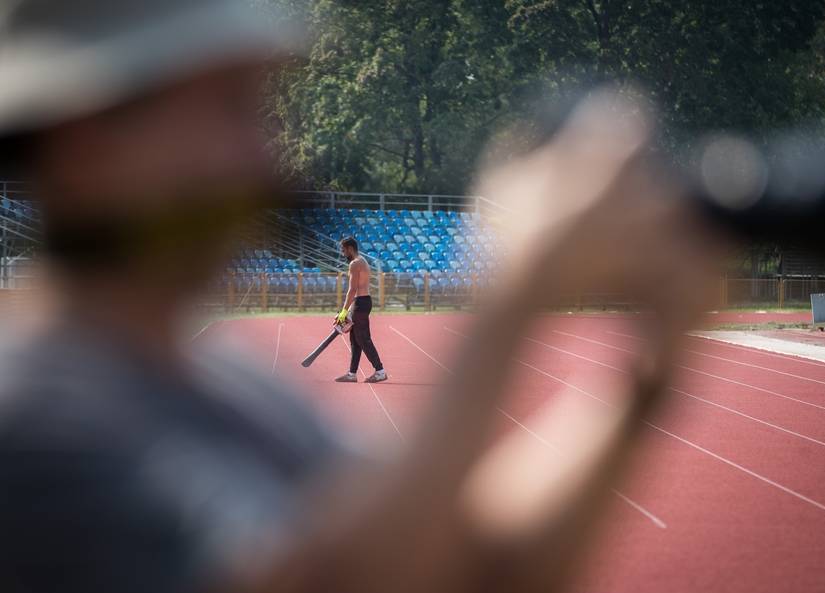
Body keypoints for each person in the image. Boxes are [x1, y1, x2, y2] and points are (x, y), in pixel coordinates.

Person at [0, 2, 720, 593]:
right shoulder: (30, 412)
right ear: (84, 141)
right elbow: (345, 579)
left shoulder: (234, 380)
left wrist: (642, 379)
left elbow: (482, 568)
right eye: (230, 108)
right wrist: (509, 295)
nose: (264, 158)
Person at [334, 236, 387, 383]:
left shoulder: (355, 263)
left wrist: (344, 312)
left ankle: (380, 371)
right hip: (361, 302)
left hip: (361, 302)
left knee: (363, 339)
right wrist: (349, 309)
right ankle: (352, 373)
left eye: (344, 250)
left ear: (350, 248)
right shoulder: (362, 260)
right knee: (355, 340)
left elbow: (352, 289)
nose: (343, 253)